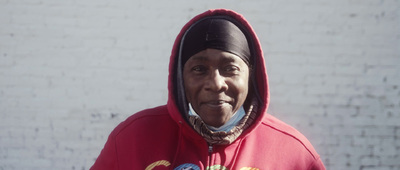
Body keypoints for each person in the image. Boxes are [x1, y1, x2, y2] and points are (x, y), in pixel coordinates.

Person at [90, 9, 326, 170]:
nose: (215, 83)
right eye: (199, 69)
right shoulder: (132, 138)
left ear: (251, 74)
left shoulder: (293, 153)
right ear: (179, 77)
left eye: (230, 68)